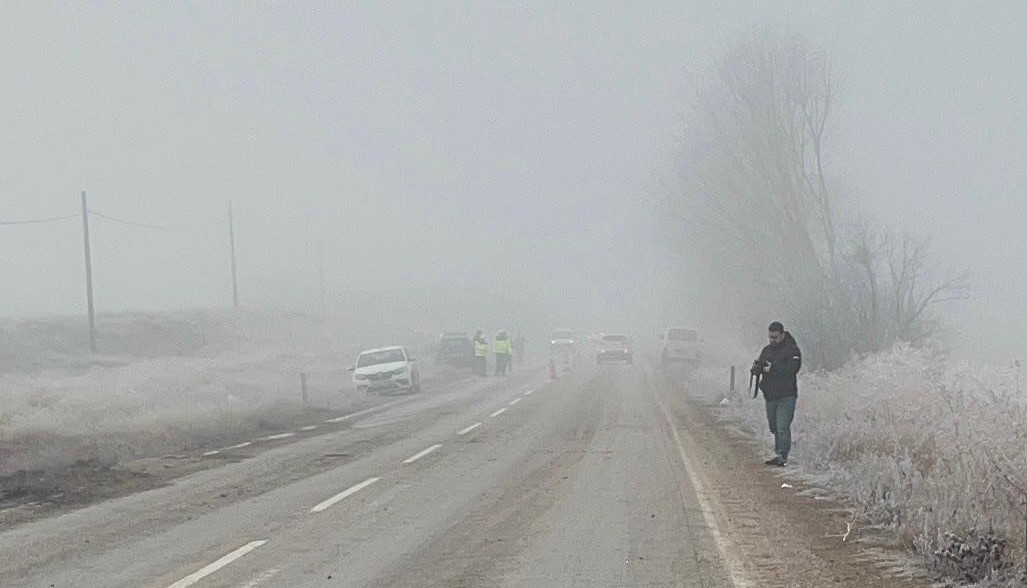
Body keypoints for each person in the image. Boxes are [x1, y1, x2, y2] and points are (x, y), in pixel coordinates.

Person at [751, 321, 802, 466]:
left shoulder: (792, 350)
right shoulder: (767, 350)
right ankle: (779, 452)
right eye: (770, 337)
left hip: (787, 395)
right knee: (773, 426)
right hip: (770, 395)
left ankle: (782, 455)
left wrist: (773, 368)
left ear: (782, 334)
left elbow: (793, 369)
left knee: (782, 426)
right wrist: (756, 369)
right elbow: (760, 365)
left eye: (775, 337)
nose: (772, 340)